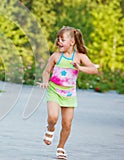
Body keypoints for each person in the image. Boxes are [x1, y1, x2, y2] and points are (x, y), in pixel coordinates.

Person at [38, 26, 98, 159]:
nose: (59, 41)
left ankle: (60, 147)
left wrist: (80, 67)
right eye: (58, 39)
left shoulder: (80, 57)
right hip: (54, 91)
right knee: (53, 117)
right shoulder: (56, 56)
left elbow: (94, 70)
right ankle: (50, 128)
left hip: (69, 95)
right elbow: (47, 71)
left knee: (67, 124)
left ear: (72, 42)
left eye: (62, 39)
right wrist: (45, 81)